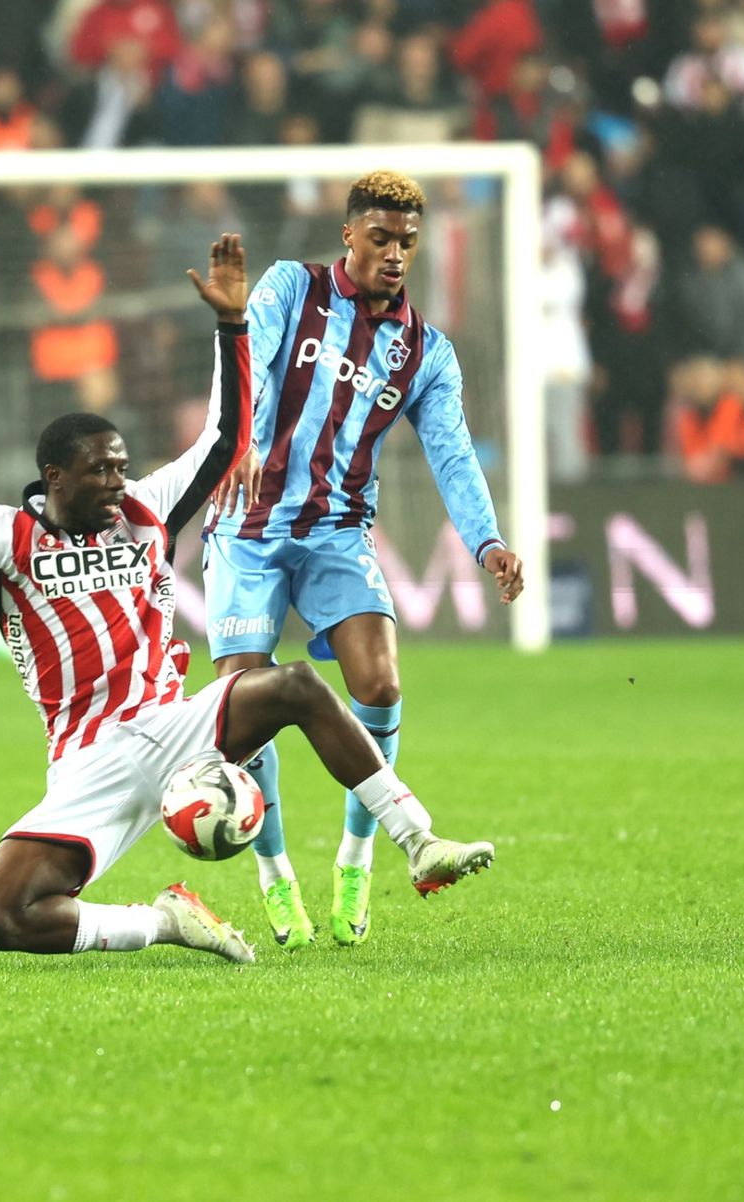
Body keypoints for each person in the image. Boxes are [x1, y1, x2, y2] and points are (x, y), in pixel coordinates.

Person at [0, 233, 456, 964]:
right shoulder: (5, 537)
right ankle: (163, 923)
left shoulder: (149, 510)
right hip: (90, 759)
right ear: (55, 477)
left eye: (122, 468)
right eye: (101, 472)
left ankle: (417, 839)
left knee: (299, 685)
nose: (118, 483)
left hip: (178, 721)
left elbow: (227, 436)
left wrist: (232, 327)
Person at [202, 171, 523, 952]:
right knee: (247, 707)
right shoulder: (290, 287)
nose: (395, 254)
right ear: (349, 234)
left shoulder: (425, 352)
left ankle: (357, 855)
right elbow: (255, 356)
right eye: (380, 237)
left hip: (338, 533)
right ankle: (274, 872)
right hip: (248, 527)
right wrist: (239, 440)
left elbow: (451, 454)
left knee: (378, 683)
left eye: (407, 242)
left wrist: (488, 541)